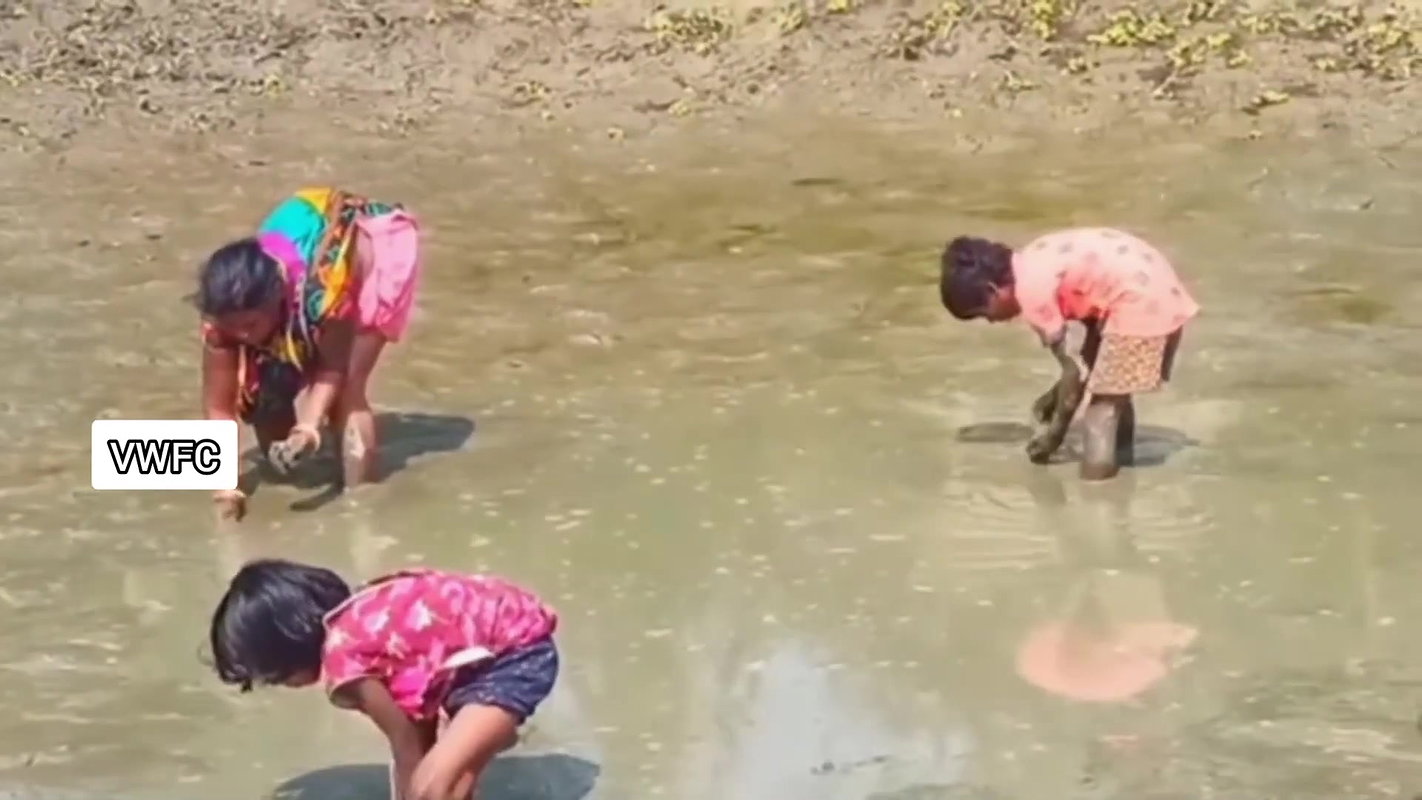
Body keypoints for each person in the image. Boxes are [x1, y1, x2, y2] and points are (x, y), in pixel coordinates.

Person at [208, 559, 559, 800]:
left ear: (286, 647)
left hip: (513, 657)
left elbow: (404, 742)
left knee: (430, 784)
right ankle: (482, 739)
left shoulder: (344, 664)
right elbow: (418, 718)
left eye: (272, 675)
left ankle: (485, 736)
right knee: (451, 775)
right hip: (494, 651)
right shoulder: (365, 611)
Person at [194, 187, 422, 520]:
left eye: (250, 324)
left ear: (276, 301)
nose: (242, 335)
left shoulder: (324, 293)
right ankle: (296, 466)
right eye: (234, 327)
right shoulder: (221, 320)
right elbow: (219, 408)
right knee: (263, 396)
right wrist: (225, 489)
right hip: (297, 247)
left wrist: (308, 429)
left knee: (348, 390)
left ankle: (360, 507)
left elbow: (333, 369)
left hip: (370, 254)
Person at [938, 228, 1199, 480]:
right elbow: (1088, 359)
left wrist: (1053, 437)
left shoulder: (1031, 296)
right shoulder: (1034, 258)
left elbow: (1075, 374)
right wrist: (1055, 395)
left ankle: (1097, 498)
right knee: (1112, 390)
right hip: (1154, 282)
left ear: (994, 291)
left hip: (1139, 300)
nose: (993, 322)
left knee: (1100, 413)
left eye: (985, 315)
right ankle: (1120, 463)